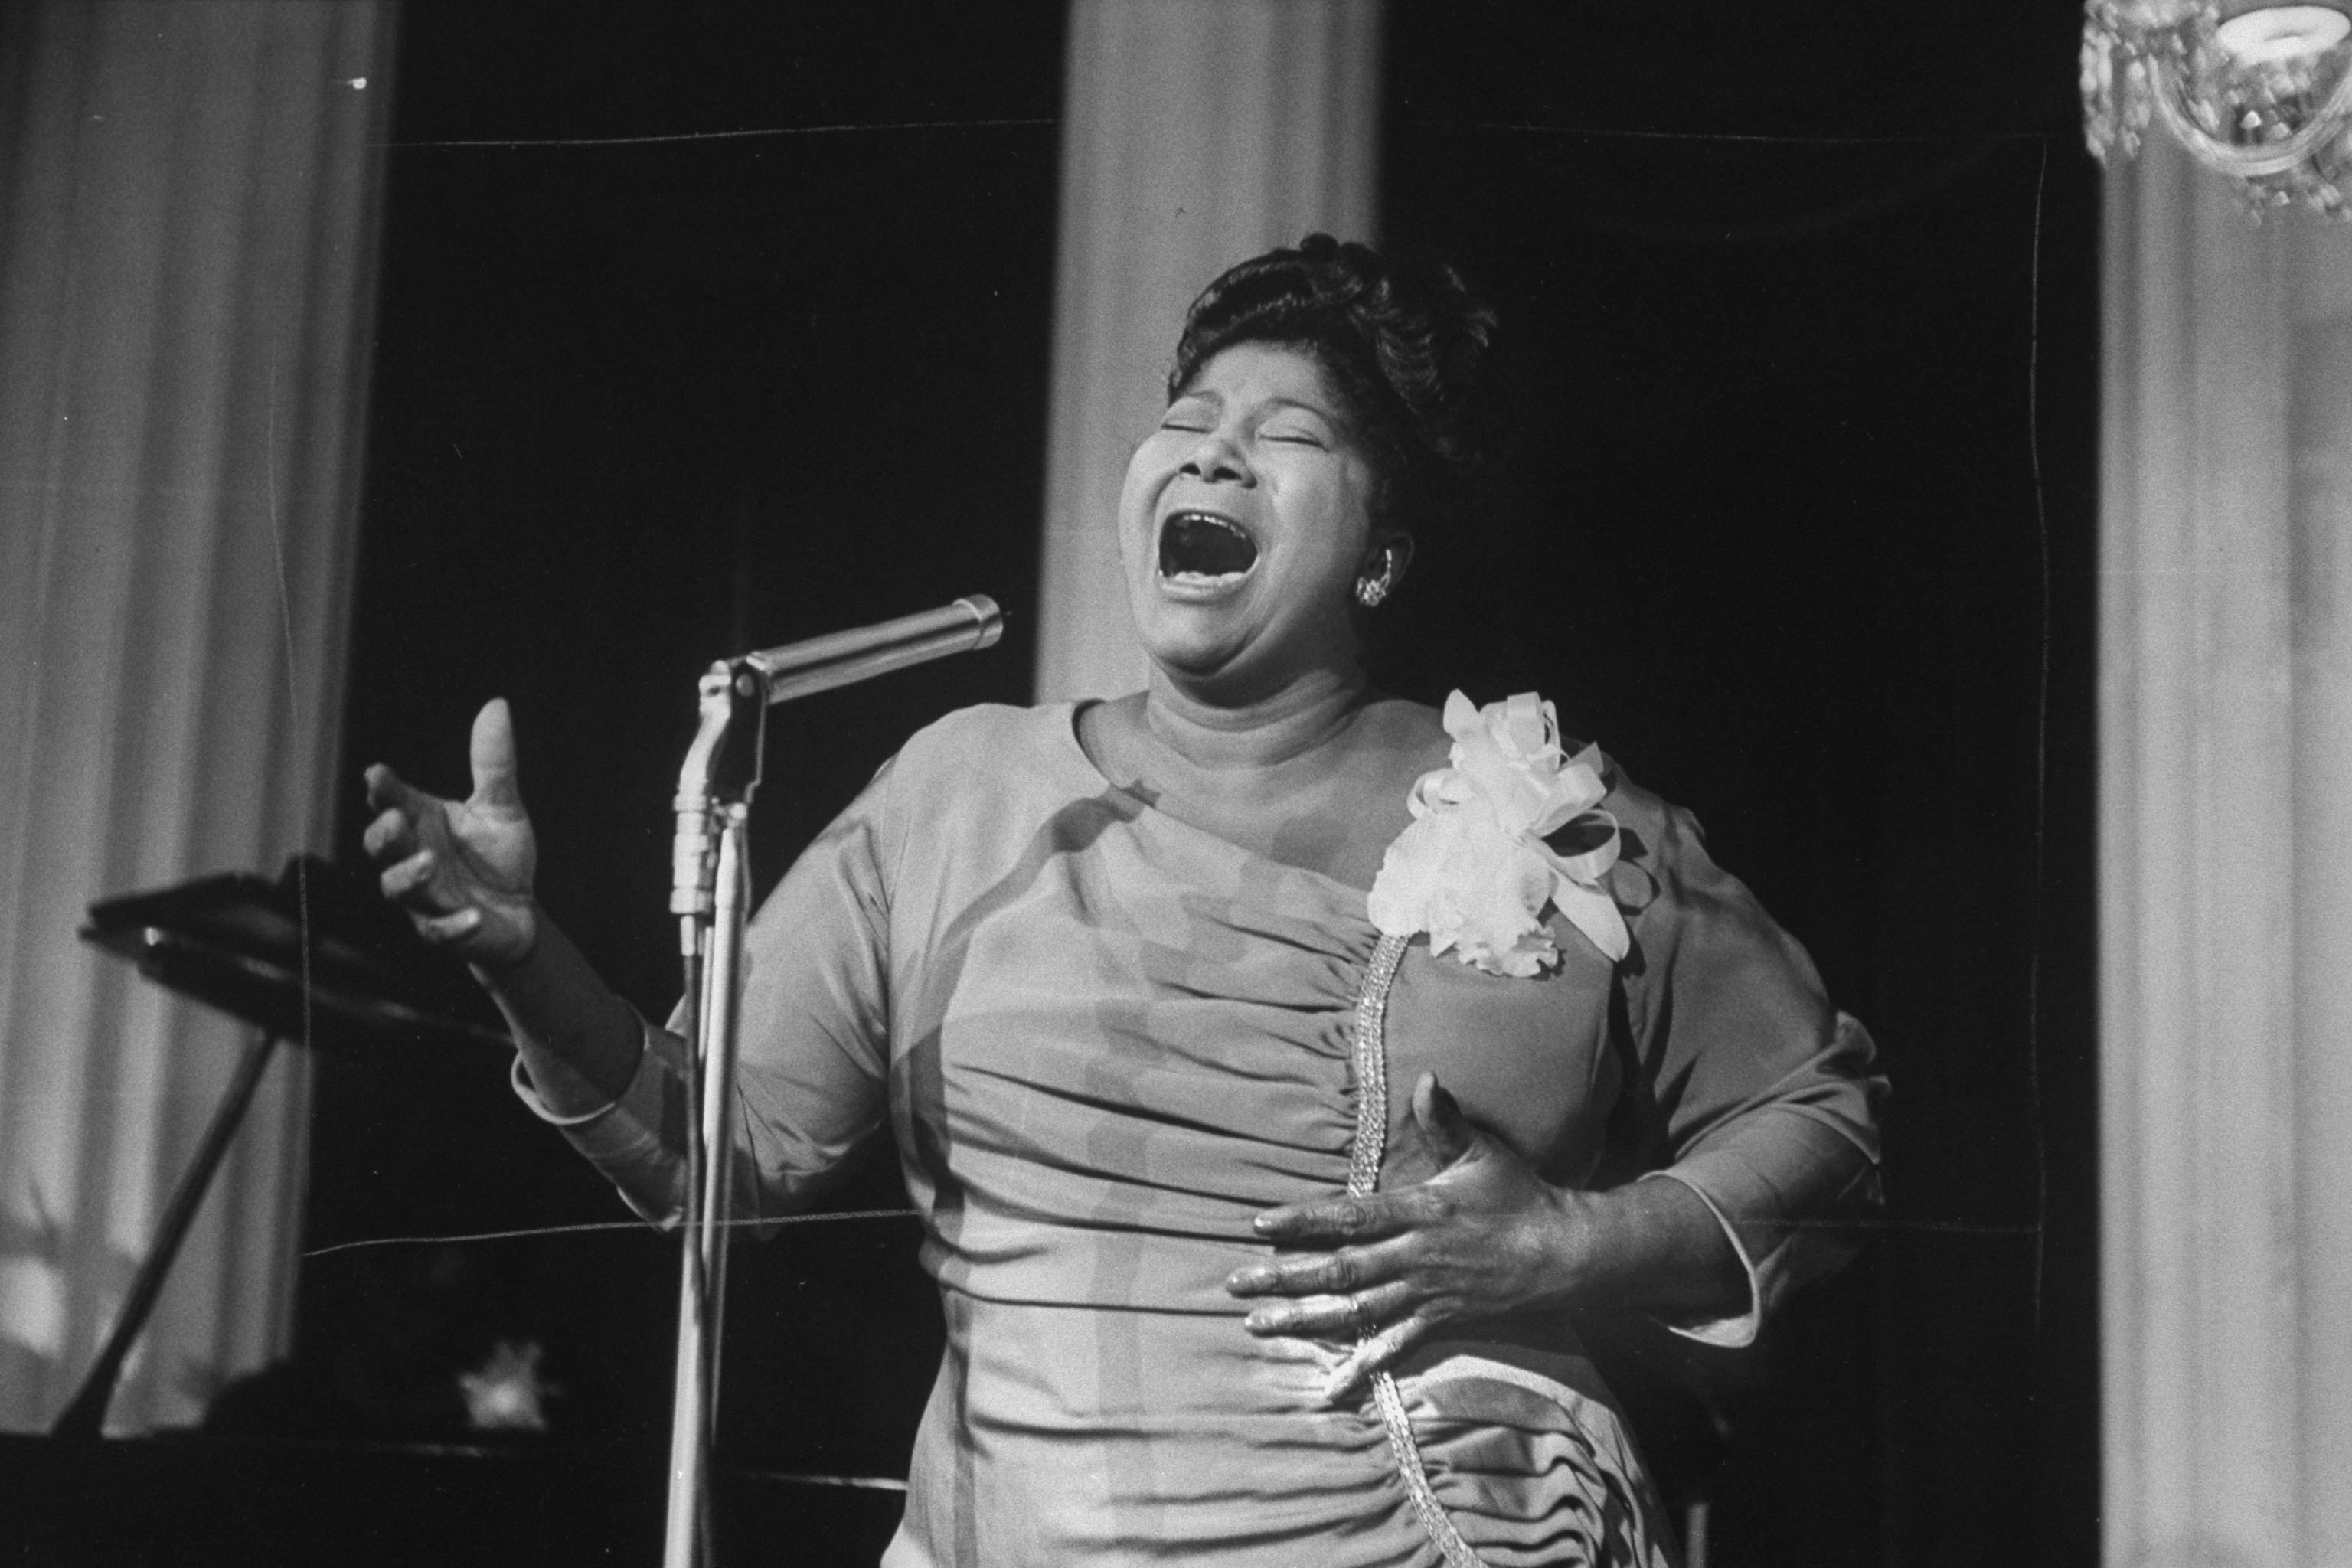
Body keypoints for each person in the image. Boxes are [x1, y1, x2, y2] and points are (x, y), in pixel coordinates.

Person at [363, 235, 1884, 1566]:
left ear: (1384, 551)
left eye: (1282, 436)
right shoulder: (963, 794)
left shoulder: (1550, 811)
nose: (1212, 456)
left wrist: (1563, 1245)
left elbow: (1826, 1122)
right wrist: (524, 960)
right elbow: (714, 1159)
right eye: (1186, 422)